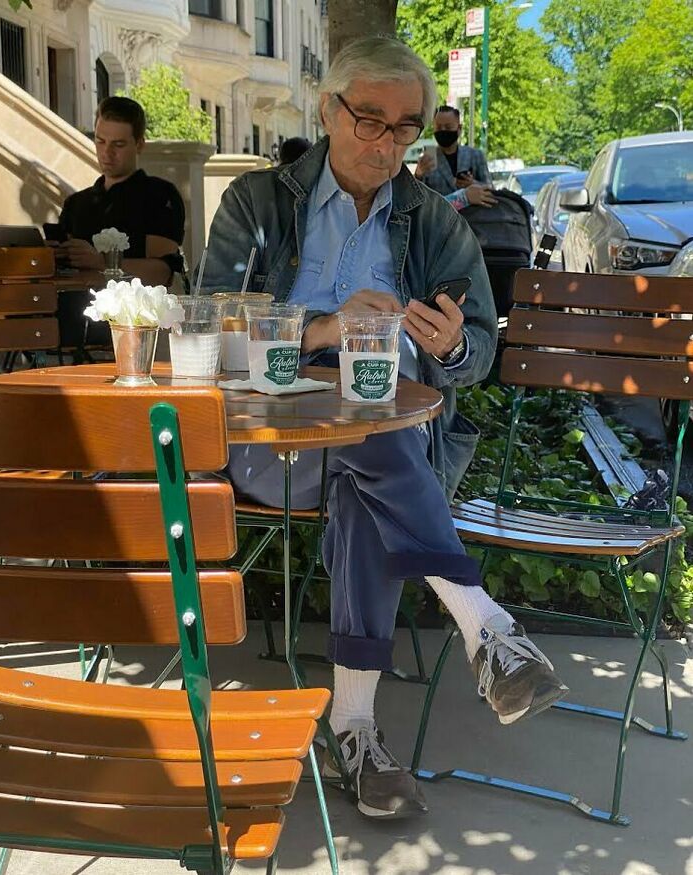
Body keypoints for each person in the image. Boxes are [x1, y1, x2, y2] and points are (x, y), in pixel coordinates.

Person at [201, 36, 566, 820]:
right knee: (370, 430)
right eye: (371, 120)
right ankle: (483, 626)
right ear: (330, 111)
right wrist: (326, 330)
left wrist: (454, 342)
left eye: (406, 129)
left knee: (372, 438)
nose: (388, 144)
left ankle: (358, 734)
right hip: (272, 444)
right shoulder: (257, 205)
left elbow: (478, 347)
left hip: (391, 446)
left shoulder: (432, 219)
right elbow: (214, 341)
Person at [56, 96, 185, 286]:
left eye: (118, 144)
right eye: (100, 141)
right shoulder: (76, 203)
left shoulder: (159, 195)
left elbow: (162, 273)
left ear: (139, 144)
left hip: (136, 313)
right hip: (75, 310)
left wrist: (101, 262)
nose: (107, 152)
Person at [415, 105, 493, 206]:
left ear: (459, 128)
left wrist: (472, 183)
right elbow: (416, 198)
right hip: (439, 219)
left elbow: (490, 190)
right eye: (438, 127)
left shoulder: (475, 156)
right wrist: (418, 174)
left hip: (472, 218)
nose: (443, 131)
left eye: (448, 127)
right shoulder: (428, 160)